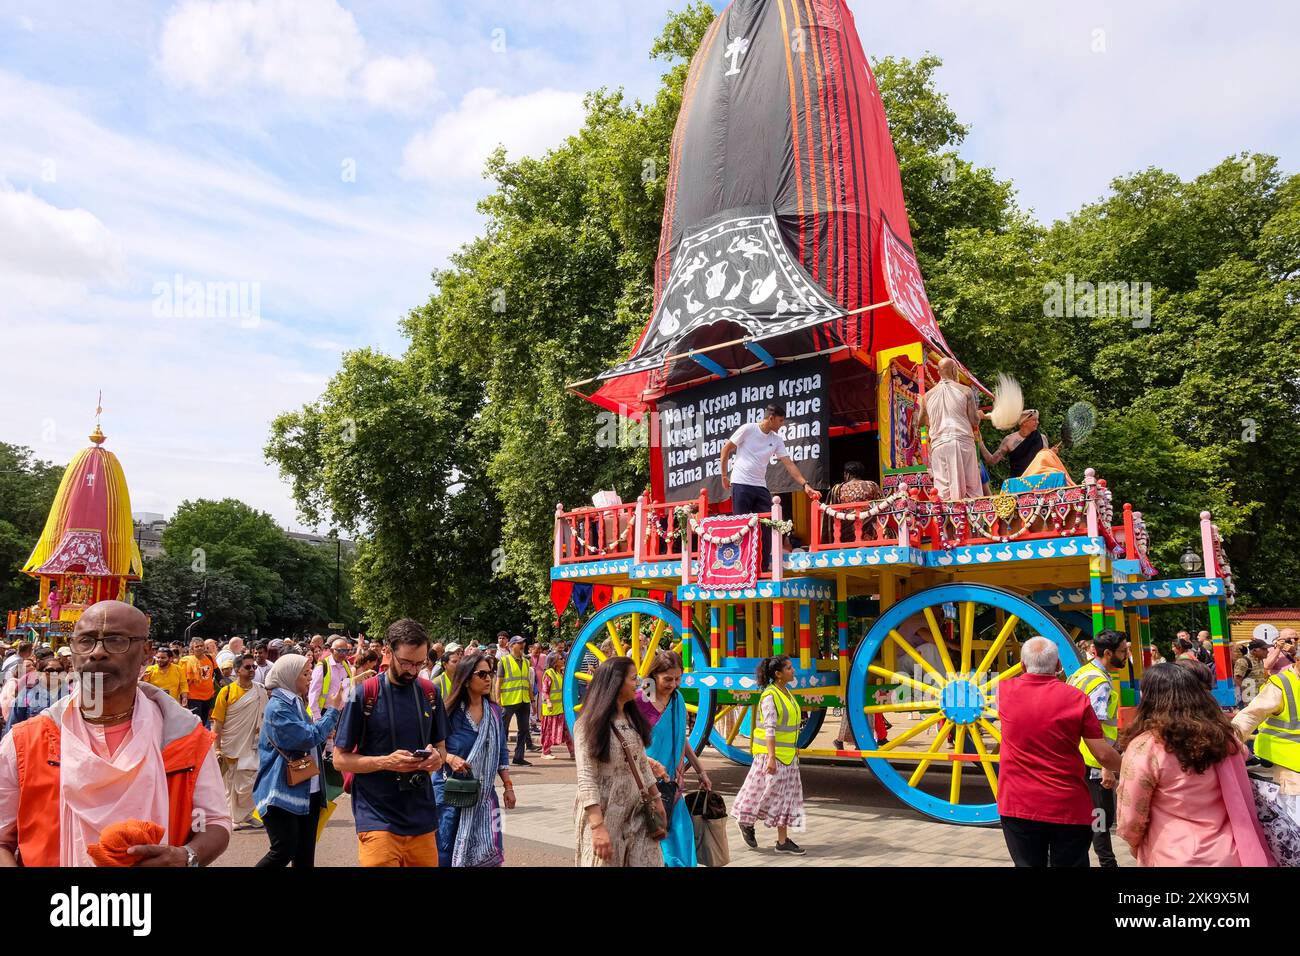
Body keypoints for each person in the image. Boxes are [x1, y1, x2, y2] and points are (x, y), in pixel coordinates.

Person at [0, 601, 231, 867]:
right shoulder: (25, 743)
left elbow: (214, 822)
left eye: (116, 640)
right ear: (73, 653)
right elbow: (3, 840)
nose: (98, 652)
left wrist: (187, 856)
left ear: (146, 652)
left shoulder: (185, 738)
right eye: (86, 641)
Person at [1117, 663, 1274, 866]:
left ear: (1150, 698)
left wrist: (1135, 844)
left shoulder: (1147, 748)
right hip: (1230, 852)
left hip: (1173, 854)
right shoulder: (1224, 739)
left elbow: (1131, 817)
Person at [996, 636, 1121, 867]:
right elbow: (1102, 754)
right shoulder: (1076, 698)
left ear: (1022, 665)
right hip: (1067, 804)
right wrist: (1130, 767)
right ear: (1057, 666)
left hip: (1017, 803)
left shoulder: (1004, 691)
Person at [332, 619, 448, 867]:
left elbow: (441, 748)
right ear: (387, 651)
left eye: (420, 663)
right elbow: (339, 759)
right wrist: (387, 762)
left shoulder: (430, 692)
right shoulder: (363, 693)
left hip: (422, 816)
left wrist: (437, 759)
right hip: (377, 816)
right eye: (406, 662)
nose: (413, 670)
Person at [252, 654, 346, 868]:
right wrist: (332, 710)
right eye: (305, 673)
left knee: (304, 855)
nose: (310, 677)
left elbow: (312, 739)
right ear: (289, 676)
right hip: (282, 792)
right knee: (284, 850)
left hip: (307, 789)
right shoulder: (278, 707)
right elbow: (306, 738)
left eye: (309, 671)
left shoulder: (294, 702)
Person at [574, 656, 665, 867]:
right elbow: (586, 776)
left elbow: (642, 763)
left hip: (637, 809)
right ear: (616, 682)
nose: (640, 683)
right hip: (605, 811)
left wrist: (657, 800)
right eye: (634, 679)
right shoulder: (587, 725)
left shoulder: (633, 719)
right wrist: (597, 826)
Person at [436, 652, 515, 867]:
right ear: (467, 679)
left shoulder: (495, 712)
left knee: (490, 847)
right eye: (482, 674)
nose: (488, 678)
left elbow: (501, 751)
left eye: (489, 673)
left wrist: (508, 786)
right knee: (446, 849)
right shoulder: (448, 712)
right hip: (452, 794)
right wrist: (451, 758)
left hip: (485, 796)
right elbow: (432, 748)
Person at [719, 404, 821, 567]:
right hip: (741, 483)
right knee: (741, 525)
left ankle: (763, 565)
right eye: (780, 421)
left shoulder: (776, 439)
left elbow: (789, 464)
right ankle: (740, 567)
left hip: (760, 486)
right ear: (771, 418)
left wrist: (805, 485)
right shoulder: (748, 429)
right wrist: (724, 475)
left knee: (768, 524)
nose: (782, 424)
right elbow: (726, 449)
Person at [637, 651, 712, 866]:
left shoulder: (678, 699)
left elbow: (681, 738)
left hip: (673, 784)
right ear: (654, 675)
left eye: (678, 678)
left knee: (680, 837)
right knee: (661, 843)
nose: (673, 684)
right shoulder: (642, 699)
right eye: (667, 679)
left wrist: (700, 770)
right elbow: (630, 741)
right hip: (647, 783)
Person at [1065, 628, 1128, 867]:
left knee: (1089, 816)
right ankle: (1108, 863)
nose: (1126, 656)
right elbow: (1098, 728)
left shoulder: (1082, 673)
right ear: (1108, 653)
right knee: (1101, 818)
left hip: (1078, 755)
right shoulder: (1100, 683)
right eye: (1123, 651)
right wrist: (1107, 767)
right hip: (1094, 761)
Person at [734, 656, 807, 855]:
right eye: (790, 668)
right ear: (778, 674)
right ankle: (745, 821)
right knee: (762, 794)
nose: (794, 671)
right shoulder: (770, 696)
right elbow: (770, 729)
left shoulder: (786, 692)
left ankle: (782, 841)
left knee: (785, 798)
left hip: (788, 756)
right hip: (771, 757)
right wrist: (772, 758)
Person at [1232, 645, 1300, 826]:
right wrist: (1228, 741)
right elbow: (1251, 715)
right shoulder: (1282, 684)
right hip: (1289, 769)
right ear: (1298, 660)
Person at [212, 653, 268, 831]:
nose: (252, 670)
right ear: (237, 670)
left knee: (251, 782)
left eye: (254, 667)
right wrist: (217, 747)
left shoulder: (260, 690)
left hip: (253, 744)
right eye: (248, 667)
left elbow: (265, 717)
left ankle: (245, 814)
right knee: (231, 783)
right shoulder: (226, 691)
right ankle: (233, 817)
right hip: (231, 744)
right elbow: (218, 721)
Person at [920, 357, 983, 501]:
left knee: (943, 490)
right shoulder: (966, 391)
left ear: (938, 372)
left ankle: (948, 522)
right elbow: (974, 420)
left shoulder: (926, 397)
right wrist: (980, 416)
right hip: (963, 443)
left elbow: (921, 422)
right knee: (971, 488)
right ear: (955, 371)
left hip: (939, 447)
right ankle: (973, 522)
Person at [980, 408, 1062, 481]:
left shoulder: (1042, 438)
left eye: (1037, 420)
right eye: (1034, 420)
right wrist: (980, 443)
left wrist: (1050, 454)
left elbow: (1045, 463)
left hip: (1039, 480)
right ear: (1024, 422)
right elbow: (992, 461)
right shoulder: (1009, 440)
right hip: (1019, 481)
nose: (1037, 422)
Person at [496, 635, 536, 766]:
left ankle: (518, 757)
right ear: (512, 645)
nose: (522, 645)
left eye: (523, 643)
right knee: (503, 729)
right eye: (519, 643)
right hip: (509, 701)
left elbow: (528, 683)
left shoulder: (526, 661)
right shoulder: (504, 661)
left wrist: (532, 700)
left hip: (524, 700)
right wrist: (498, 699)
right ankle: (499, 756)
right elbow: (499, 682)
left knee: (524, 730)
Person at [308, 637, 354, 719]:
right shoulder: (322, 667)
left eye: (346, 651)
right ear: (332, 650)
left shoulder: (347, 665)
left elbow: (348, 691)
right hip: (324, 713)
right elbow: (313, 695)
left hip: (341, 713)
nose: (343, 654)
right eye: (340, 651)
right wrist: (318, 719)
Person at [539, 652, 574, 759]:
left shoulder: (561, 673)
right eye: (560, 658)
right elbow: (545, 691)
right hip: (551, 708)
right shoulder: (549, 674)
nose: (563, 660)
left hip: (561, 708)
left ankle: (572, 752)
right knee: (548, 731)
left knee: (567, 731)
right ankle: (545, 752)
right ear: (554, 662)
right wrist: (548, 702)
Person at [180, 637, 219, 727]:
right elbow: (182, 680)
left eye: (201, 646)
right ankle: (195, 740)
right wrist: (183, 695)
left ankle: (201, 739)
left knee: (204, 721)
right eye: (197, 646)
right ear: (192, 649)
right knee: (196, 722)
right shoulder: (185, 661)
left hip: (208, 695)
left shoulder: (210, 658)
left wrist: (221, 681)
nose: (199, 648)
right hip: (193, 696)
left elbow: (217, 672)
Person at [1235, 640, 1270, 705]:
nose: (1267, 651)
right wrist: (1246, 698)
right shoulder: (1243, 661)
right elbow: (1237, 680)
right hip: (1250, 700)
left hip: (1260, 698)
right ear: (1254, 650)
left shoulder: (1260, 660)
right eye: (1264, 649)